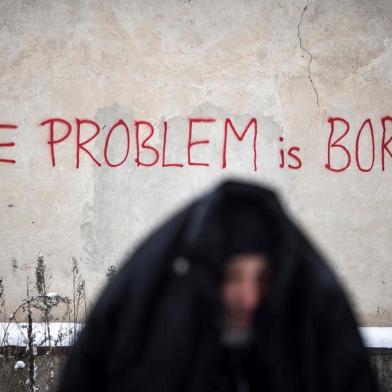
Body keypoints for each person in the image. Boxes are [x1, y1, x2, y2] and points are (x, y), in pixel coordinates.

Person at [55, 178, 380, 392]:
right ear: (207, 273)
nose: (249, 298)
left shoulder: (313, 316)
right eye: (233, 277)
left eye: (263, 279)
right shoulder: (152, 325)